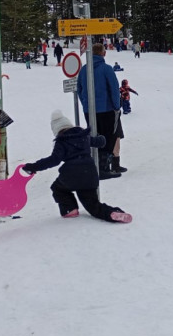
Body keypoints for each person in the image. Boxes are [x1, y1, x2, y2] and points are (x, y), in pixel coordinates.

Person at [22, 110, 131, 223]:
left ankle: (70, 209)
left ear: (56, 130)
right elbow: (100, 142)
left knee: (58, 189)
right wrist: (101, 138)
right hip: (90, 175)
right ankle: (111, 213)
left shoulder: (61, 141)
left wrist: (33, 167)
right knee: (93, 205)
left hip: (71, 175)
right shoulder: (83, 135)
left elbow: (54, 160)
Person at [77, 43, 123, 179]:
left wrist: (85, 103)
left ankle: (97, 166)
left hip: (89, 110)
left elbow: (79, 89)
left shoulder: (84, 70)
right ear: (103, 53)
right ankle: (103, 167)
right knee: (109, 136)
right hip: (106, 109)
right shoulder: (107, 69)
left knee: (94, 136)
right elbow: (114, 89)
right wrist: (116, 106)